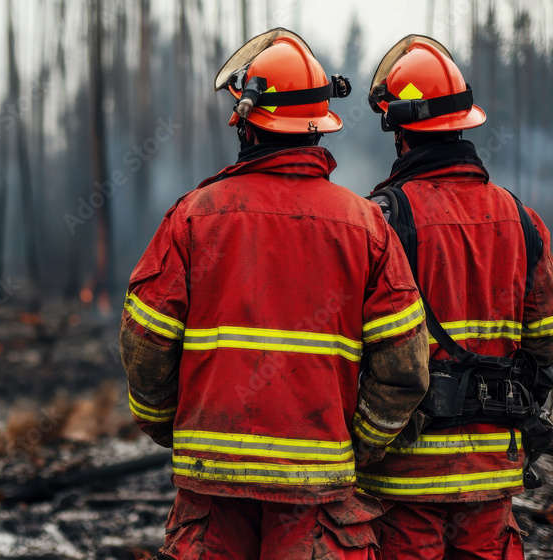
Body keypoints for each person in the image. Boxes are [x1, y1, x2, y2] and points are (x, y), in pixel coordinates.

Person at [120, 28, 430, 559]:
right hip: (318, 500)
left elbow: (144, 346)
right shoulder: (366, 227)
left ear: (247, 123)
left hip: (212, 491)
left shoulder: (194, 218)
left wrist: (175, 427)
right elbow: (404, 368)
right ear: (319, 127)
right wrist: (356, 445)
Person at [359, 35, 553, 560]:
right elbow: (545, 347)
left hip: (404, 473)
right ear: (463, 124)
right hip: (492, 469)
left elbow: (356, 348)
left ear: (400, 133)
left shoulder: (380, 221)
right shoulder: (523, 220)